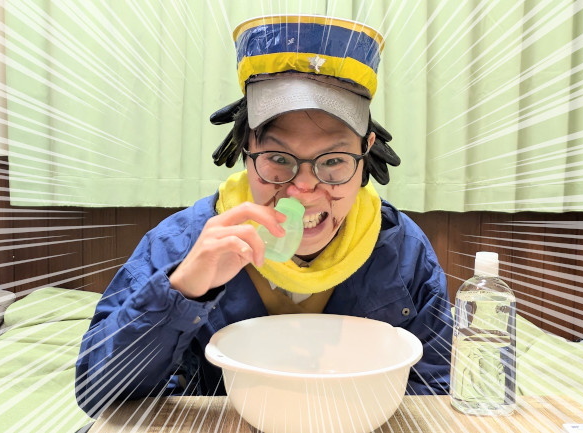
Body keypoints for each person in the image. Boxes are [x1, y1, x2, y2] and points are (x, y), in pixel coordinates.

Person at [75, 15, 452, 417]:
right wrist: (182, 292)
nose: (303, 188)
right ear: (245, 149)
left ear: (366, 151)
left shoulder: (402, 251)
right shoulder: (182, 244)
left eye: (334, 161)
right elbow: (98, 395)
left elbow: (432, 394)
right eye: (277, 158)